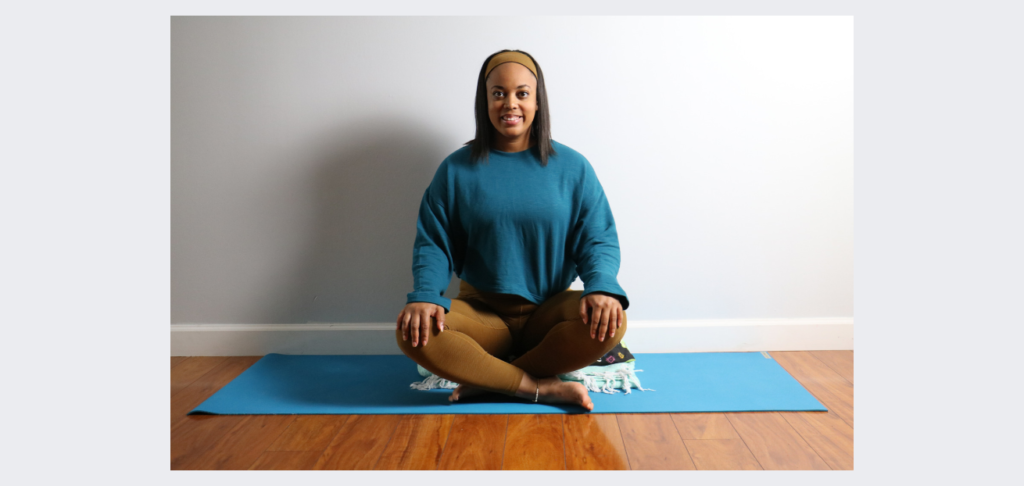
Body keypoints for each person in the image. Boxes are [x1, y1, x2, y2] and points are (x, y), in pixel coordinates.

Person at [395, 50, 629, 411]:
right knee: (413, 334)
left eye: (522, 93)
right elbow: (433, 242)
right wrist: (426, 294)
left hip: (549, 316)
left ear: (537, 102)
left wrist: (601, 287)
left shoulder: (573, 167)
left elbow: (597, 238)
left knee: (611, 322)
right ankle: (537, 387)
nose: (510, 104)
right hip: (483, 317)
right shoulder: (456, 170)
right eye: (498, 93)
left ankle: (491, 380)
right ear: (484, 101)